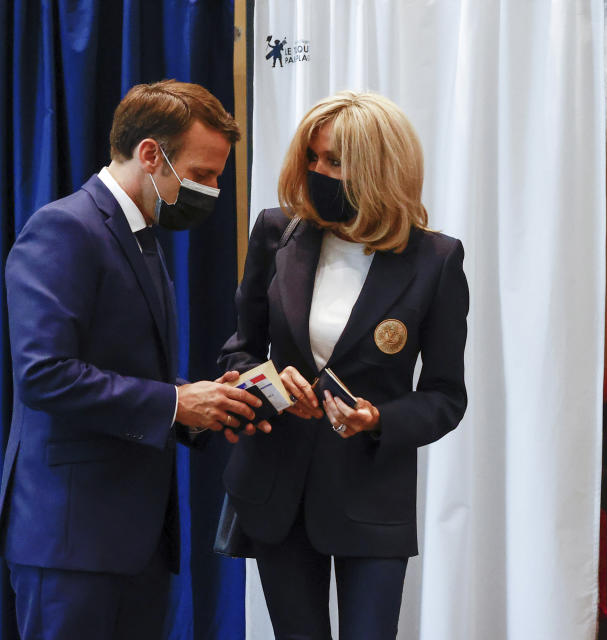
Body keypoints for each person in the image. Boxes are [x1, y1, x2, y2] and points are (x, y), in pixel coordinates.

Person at [0, 79, 270, 640]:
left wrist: (209, 405)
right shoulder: (65, 228)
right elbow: (43, 374)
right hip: (71, 542)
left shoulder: (140, 235)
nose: (213, 188)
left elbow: (131, 371)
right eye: (205, 172)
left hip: (132, 540)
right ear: (150, 154)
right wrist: (175, 402)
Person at [218, 91, 469, 639]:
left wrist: (378, 419)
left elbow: (447, 395)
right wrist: (270, 383)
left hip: (371, 496)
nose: (317, 171)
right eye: (312, 157)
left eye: (335, 160)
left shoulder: (436, 261)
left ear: (379, 169)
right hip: (276, 490)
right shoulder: (276, 232)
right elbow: (239, 351)